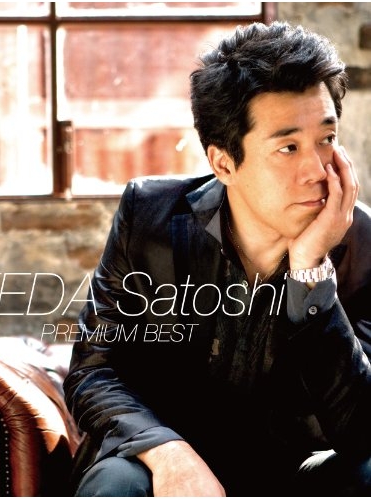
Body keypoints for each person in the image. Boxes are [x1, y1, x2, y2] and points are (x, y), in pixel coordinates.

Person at [63, 21, 371, 496]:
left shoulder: (360, 240)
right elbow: (93, 369)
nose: (317, 170)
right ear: (224, 162)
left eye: (326, 139)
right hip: (156, 462)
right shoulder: (151, 216)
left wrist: (311, 271)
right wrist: (168, 452)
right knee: (118, 481)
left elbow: (361, 431)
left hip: (290, 476)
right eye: (288, 147)